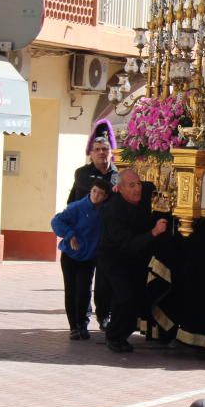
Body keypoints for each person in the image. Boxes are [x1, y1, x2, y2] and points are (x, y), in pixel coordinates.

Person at [97, 169, 168, 353]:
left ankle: (123, 335)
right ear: (120, 189)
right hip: (113, 256)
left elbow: (151, 186)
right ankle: (113, 336)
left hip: (135, 255)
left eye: (138, 183)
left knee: (137, 298)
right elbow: (127, 244)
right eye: (131, 185)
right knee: (124, 295)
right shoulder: (113, 210)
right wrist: (154, 232)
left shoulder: (142, 193)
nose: (138, 188)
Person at [67, 135, 118, 330]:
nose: (101, 153)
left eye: (105, 149)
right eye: (97, 149)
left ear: (110, 151)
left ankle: (104, 315)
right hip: (85, 236)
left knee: (105, 281)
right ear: (91, 153)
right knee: (83, 282)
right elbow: (97, 191)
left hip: (106, 237)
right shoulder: (82, 174)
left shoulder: (117, 173)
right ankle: (82, 319)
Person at [50, 179, 111, 340]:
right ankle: (73, 327)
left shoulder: (105, 212)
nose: (96, 196)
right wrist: (70, 235)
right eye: (94, 191)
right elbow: (56, 221)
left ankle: (82, 323)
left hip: (89, 258)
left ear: (105, 197)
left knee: (84, 290)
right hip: (70, 256)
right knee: (71, 290)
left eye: (101, 194)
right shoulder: (77, 207)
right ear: (90, 191)